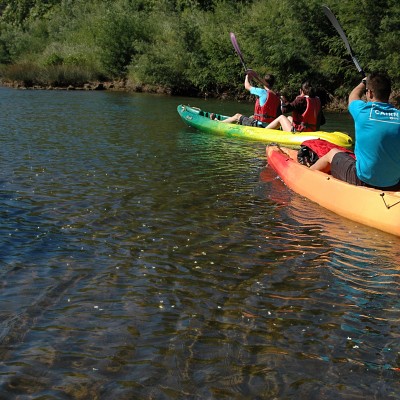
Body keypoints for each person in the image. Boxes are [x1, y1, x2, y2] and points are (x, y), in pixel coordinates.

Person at [310, 72, 400, 190]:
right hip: (394, 183)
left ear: (370, 93)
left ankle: (306, 177)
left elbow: (353, 96)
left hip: (363, 180)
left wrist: (363, 83)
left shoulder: (362, 111)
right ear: (388, 93)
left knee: (332, 153)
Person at [213, 71, 281, 127]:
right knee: (251, 117)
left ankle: (219, 123)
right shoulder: (277, 96)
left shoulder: (262, 92)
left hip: (260, 125)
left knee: (237, 116)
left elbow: (247, 86)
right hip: (271, 125)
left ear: (264, 82)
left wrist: (247, 77)